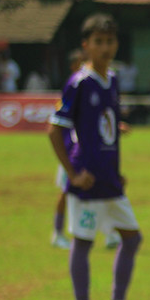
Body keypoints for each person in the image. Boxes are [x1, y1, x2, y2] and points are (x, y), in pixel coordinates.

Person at [47, 13, 150, 300]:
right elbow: (54, 130)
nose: (105, 48)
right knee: (83, 242)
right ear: (86, 45)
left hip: (109, 180)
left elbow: (102, 124)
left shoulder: (113, 80)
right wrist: (72, 175)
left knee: (132, 239)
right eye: (99, 42)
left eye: (110, 41)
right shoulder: (79, 83)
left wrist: (116, 161)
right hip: (87, 181)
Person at [52, 49, 121, 251]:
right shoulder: (74, 87)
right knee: (66, 193)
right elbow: (58, 125)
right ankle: (58, 233)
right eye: (82, 62)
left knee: (101, 190)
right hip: (72, 154)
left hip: (90, 153)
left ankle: (110, 233)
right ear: (74, 66)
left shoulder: (93, 86)